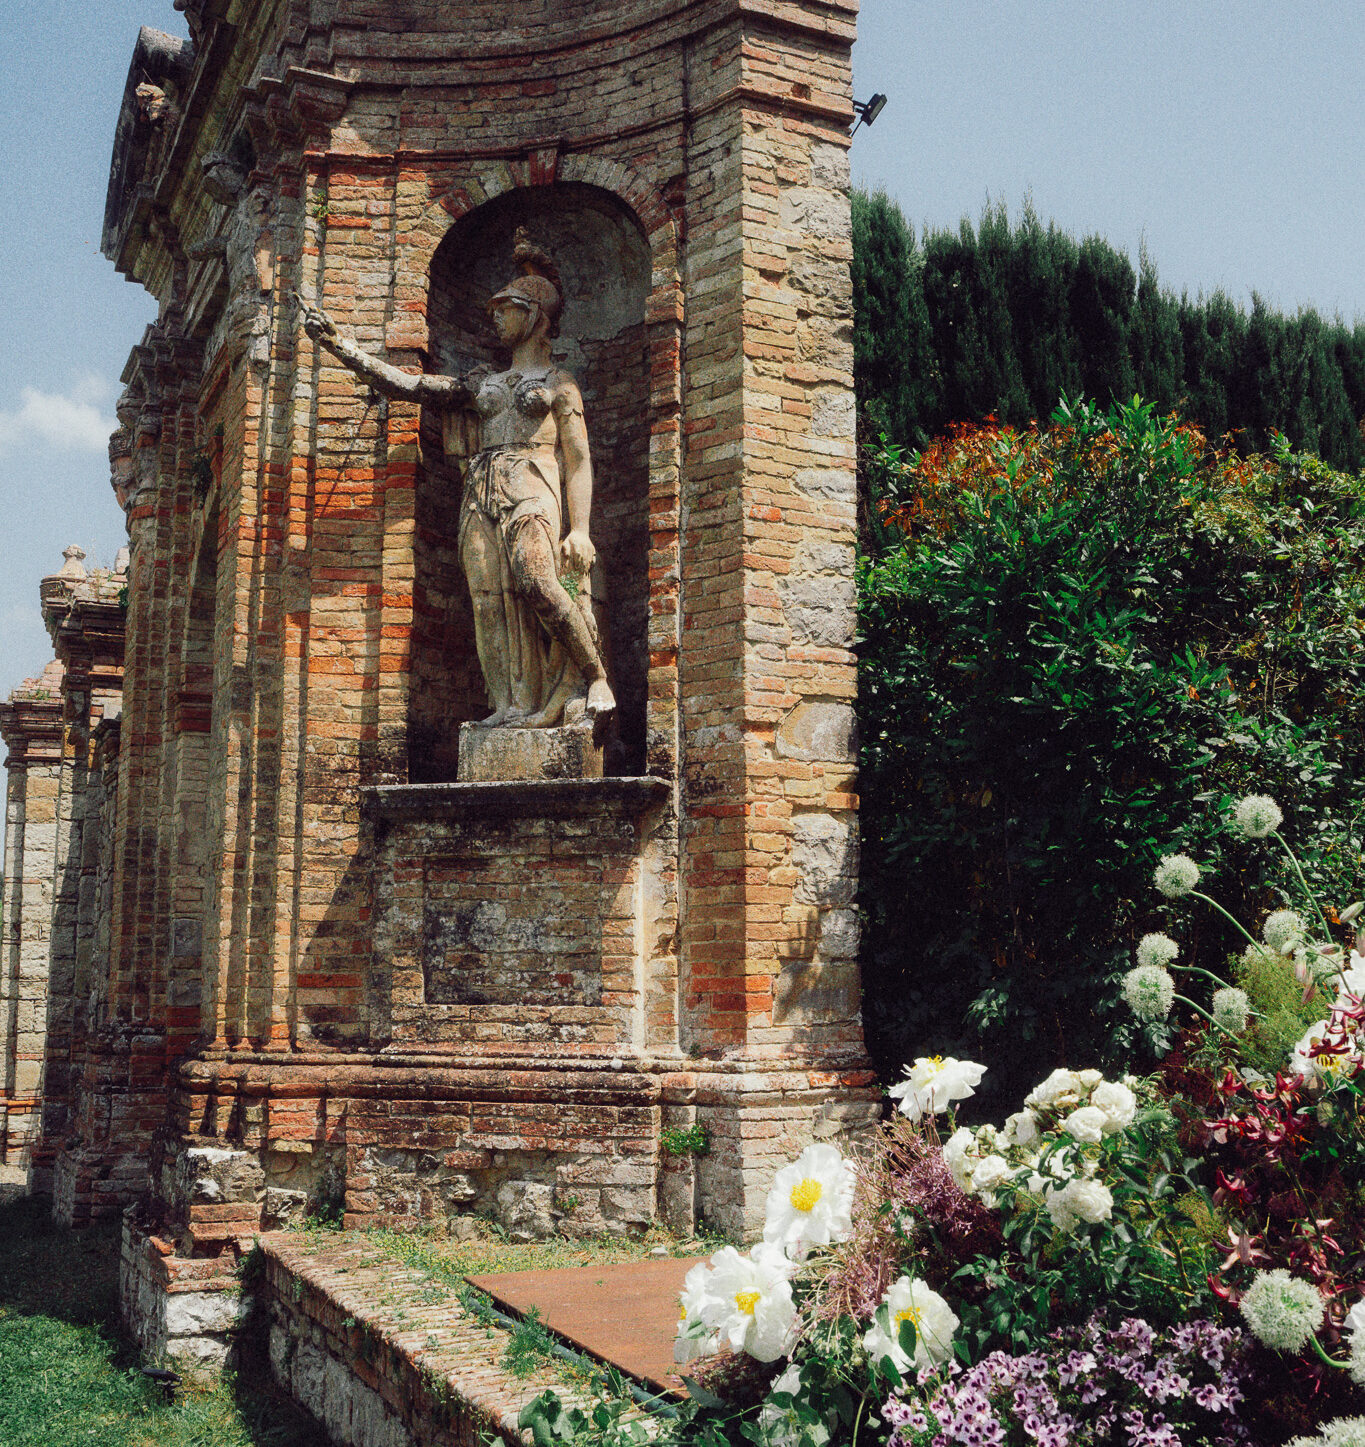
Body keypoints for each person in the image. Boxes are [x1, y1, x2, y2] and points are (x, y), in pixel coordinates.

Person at [300, 231, 615, 728]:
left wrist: (581, 529)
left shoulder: (559, 385)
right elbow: (412, 385)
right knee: (487, 599)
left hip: (534, 482)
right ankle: (510, 705)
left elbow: (578, 459)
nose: (496, 316)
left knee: (538, 580)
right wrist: (343, 349)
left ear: (533, 315)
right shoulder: (482, 383)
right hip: (482, 489)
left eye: (506, 307)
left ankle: (593, 675)